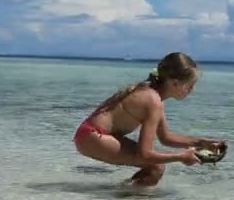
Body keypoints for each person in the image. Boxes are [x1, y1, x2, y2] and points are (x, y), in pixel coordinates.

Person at [73, 52, 224, 187]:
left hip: (88, 134)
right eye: (190, 85)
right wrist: (182, 157)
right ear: (174, 82)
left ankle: (122, 197)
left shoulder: (154, 95)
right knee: (156, 166)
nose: (192, 90)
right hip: (93, 136)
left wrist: (199, 142)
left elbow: (166, 138)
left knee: (155, 166)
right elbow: (144, 153)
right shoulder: (152, 100)